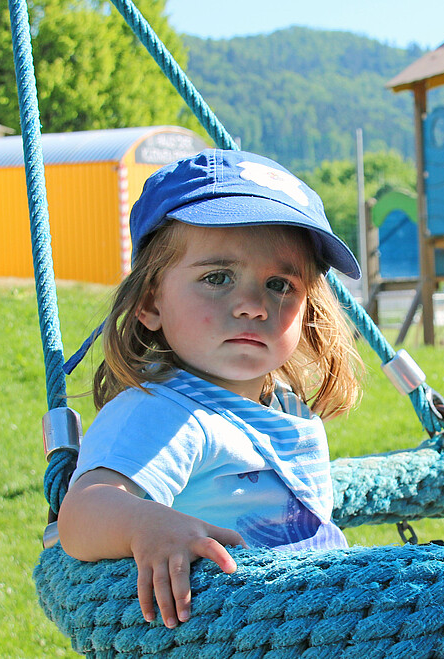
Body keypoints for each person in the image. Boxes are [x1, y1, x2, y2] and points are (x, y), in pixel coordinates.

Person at [57, 148, 362, 627]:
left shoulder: (283, 406)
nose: (252, 305)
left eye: (280, 285)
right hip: (240, 631)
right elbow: (80, 515)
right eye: (217, 278)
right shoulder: (165, 412)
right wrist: (147, 525)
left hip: (315, 621)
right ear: (150, 302)